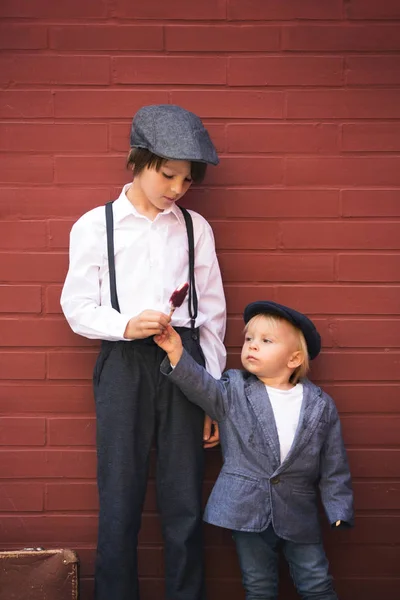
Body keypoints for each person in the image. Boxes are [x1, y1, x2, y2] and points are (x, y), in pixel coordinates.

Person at [60, 104, 226, 600]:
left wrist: (210, 393)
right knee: (119, 500)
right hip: (122, 366)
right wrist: (123, 324)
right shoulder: (97, 225)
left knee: (184, 505)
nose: (177, 188)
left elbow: (212, 313)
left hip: (185, 363)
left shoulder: (196, 229)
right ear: (138, 160)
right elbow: (76, 306)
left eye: (187, 180)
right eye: (168, 174)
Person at [154, 300, 354, 600]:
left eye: (265, 341)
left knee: (317, 583)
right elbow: (201, 387)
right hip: (245, 509)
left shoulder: (320, 405)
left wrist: (338, 509)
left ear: (294, 359)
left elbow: (334, 465)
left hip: (298, 511)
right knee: (259, 586)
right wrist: (175, 352)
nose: (252, 346)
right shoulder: (234, 388)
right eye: (248, 339)